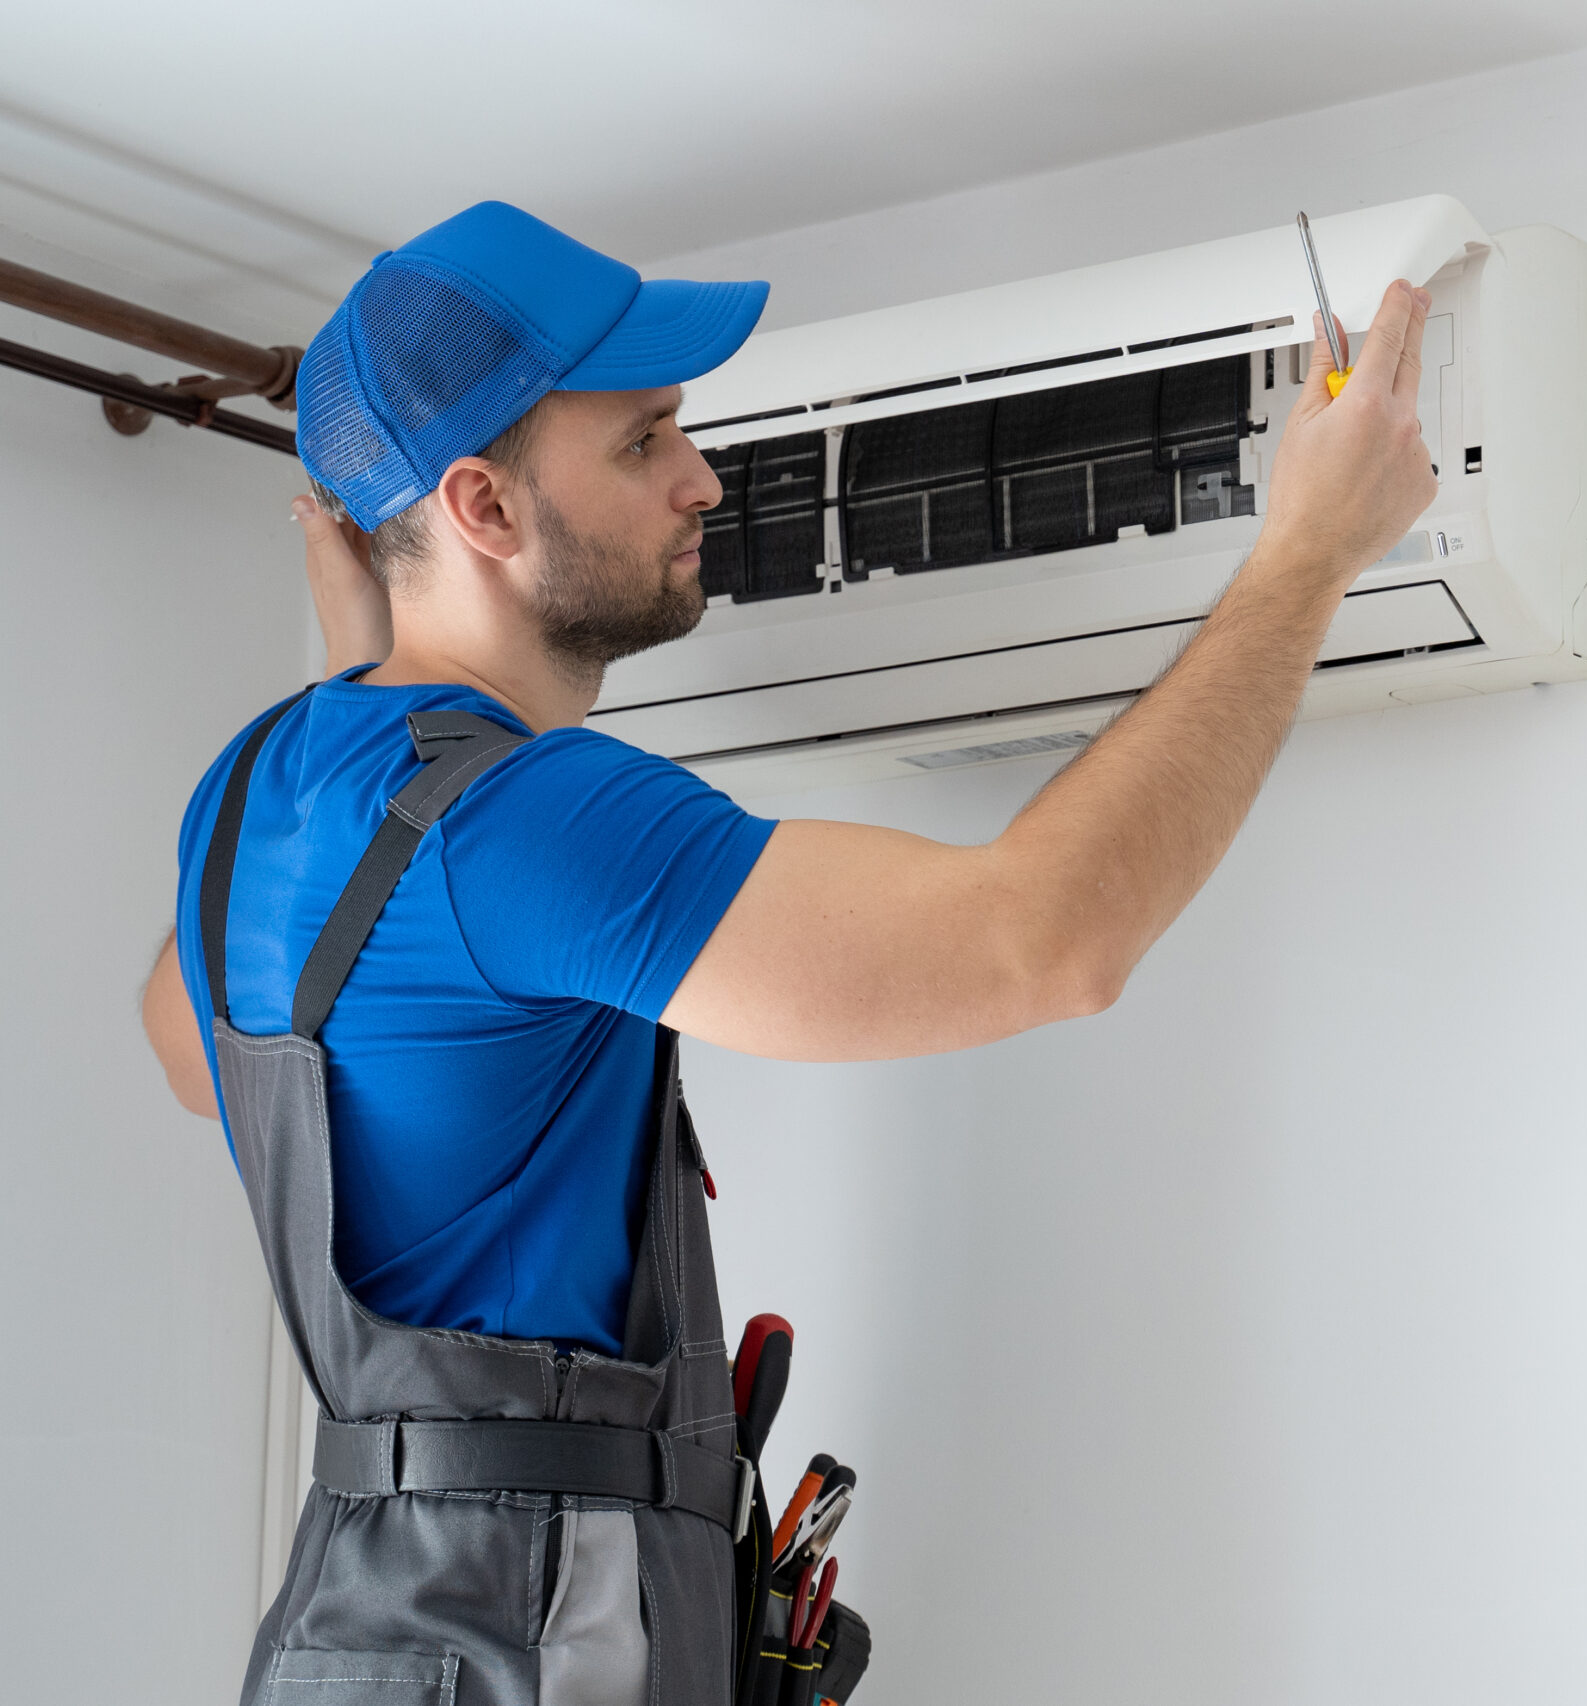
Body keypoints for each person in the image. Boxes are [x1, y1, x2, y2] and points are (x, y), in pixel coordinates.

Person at [139, 199, 1433, 1706]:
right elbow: (1046, 940)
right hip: (531, 1632)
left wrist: (370, 658)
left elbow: (192, 1050)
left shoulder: (252, 793)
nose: (701, 477)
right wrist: (1308, 558)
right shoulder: (530, 824)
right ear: (483, 508)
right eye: (642, 443)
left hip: (354, 1625)